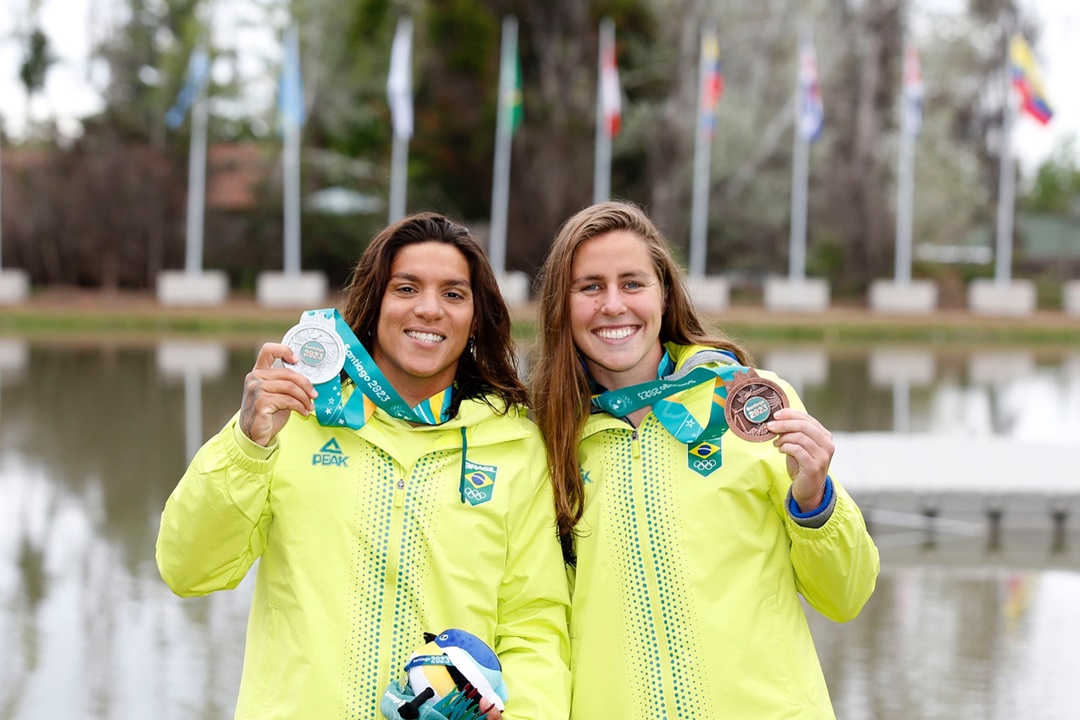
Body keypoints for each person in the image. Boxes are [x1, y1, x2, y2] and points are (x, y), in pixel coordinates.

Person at [156, 213, 571, 720]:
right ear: (375, 305)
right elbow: (188, 569)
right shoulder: (294, 419)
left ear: (476, 319)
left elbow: (535, 626)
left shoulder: (516, 446)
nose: (428, 309)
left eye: (453, 294)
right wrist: (246, 445)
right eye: (407, 288)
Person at [531, 201, 879, 719]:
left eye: (632, 283)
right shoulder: (544, 439)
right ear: (562, 305)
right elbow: (535, 625)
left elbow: (846, 596)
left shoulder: (753, 406)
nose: (612, 305)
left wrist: (815, 500)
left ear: (664, 294)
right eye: (590, 287)